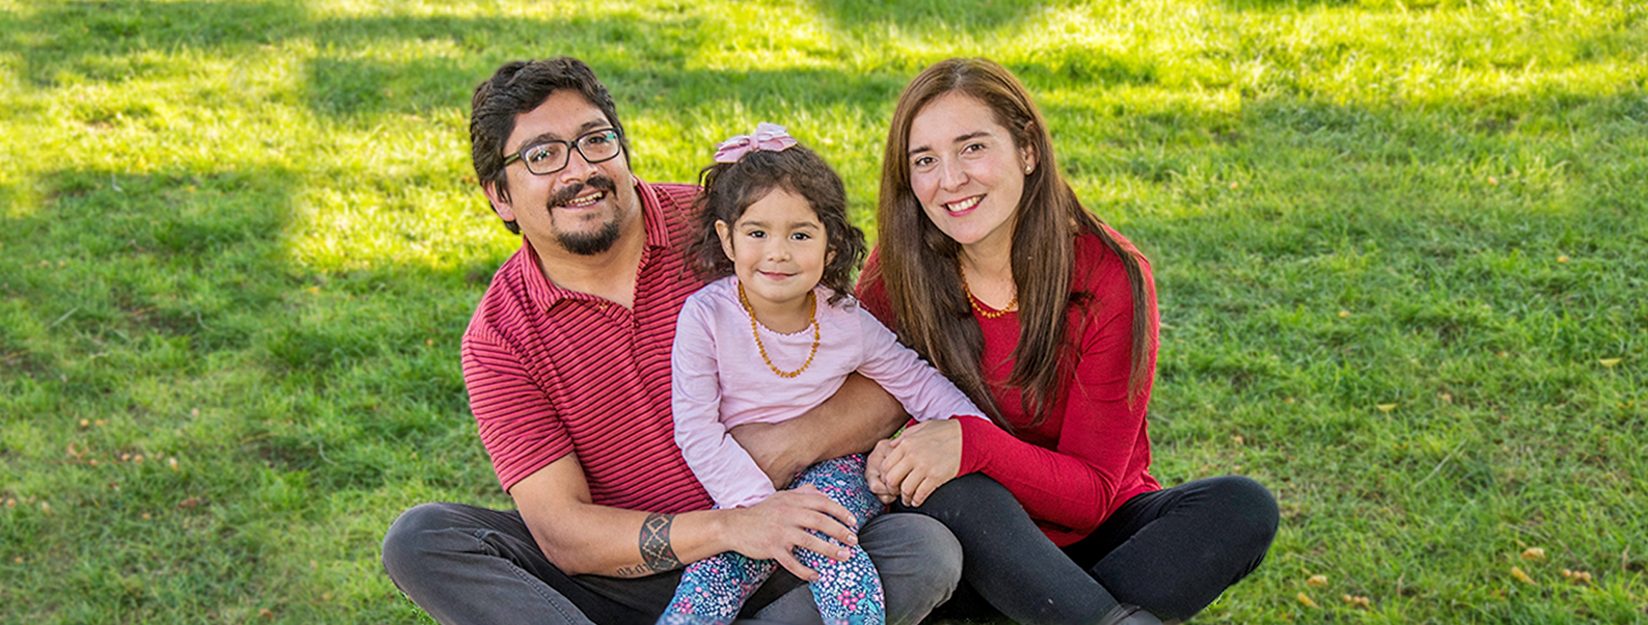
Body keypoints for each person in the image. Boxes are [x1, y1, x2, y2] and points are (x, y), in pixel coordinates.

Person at [379, 57, 962, 625]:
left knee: (922, 551)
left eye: (595, 140)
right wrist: (728, 527)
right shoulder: (501, 336)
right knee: (423, 540)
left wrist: (785, 454)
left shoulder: (737, 229)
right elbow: (563, 532)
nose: (579, 170)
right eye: (542, 155)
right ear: (500, 195)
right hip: (623, 575)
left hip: (792, 535)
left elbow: (884, 372)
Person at [856, 57, 1279, 625]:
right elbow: (857, 407)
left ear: (1027, 149)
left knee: (1241, 507)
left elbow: (1093, 494)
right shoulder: (897, 272)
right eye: (925, 160)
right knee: (953, 488)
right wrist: (901, 457)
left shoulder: (1108, 276)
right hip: (971, 542)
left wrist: (970, 442)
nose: (949, 179)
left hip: (1098, 536)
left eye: (973, 147)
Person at [661, 125, 988, 625]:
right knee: (708, 586)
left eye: (799, 234)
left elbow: (914, 381)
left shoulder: (844, 319)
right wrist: (759, 510)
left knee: (838, 559)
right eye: (757, 233)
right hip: (742, 486)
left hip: (836, 474)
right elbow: (697, 429)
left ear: (831, 246)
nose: (777, 252)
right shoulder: (706, 317)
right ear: (727, 238)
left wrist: (975, 436)